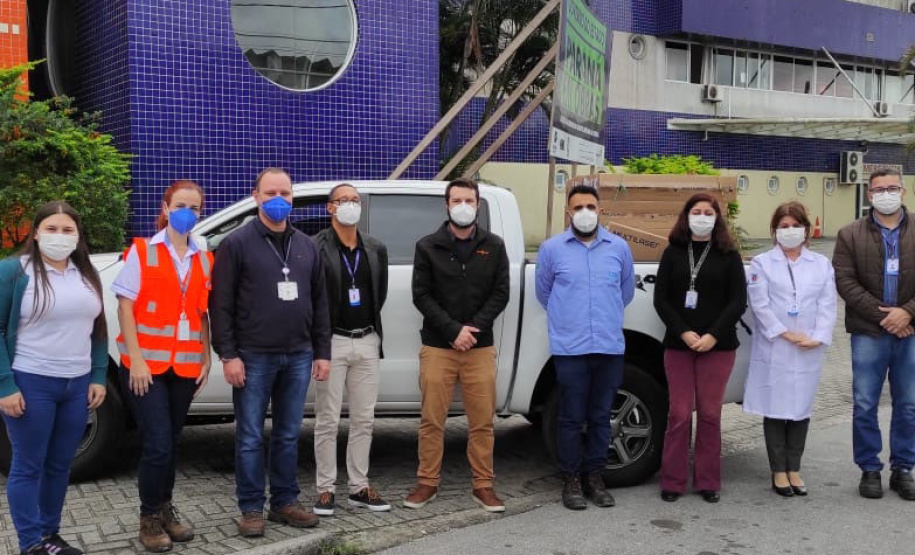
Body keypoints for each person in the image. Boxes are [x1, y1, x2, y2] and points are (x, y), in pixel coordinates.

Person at [209, 168, 332, 536]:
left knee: (288, 434)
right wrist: (228, 354)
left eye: (285, 192)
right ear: (255, 196)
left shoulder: (307, 246)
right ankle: (250, 509)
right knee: (249, 436)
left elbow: (321, 303)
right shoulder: (236, 244)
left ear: (293, 197)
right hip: (253, 356)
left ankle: (284, 502)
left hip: (298, 355)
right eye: (270, 192)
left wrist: (322, 351)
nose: (278, 199)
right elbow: (221, 304)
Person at [0, 201, 108, 555]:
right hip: (31, 383)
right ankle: (30, 543)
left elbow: (97, 331)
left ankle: (50, 535)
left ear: (78, 237)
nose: (59, 237)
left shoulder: (85, 273)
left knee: (60, 465)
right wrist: (5, 385)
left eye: (67, 230)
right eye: (51, 229)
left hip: (75, 386)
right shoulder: (14, 271)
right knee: (29, 465)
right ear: (35, 233)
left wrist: (97, 375)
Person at [112, 181, 214, 551]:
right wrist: (135, 360)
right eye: (181, 205)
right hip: (145, 366)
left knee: (170, 442)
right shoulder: (143, 251)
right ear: (166, 207)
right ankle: (149, 517)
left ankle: (165, 509)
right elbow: (125, 307)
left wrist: (206, 354)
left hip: (185, 368)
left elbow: (201, 312)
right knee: (156, 443)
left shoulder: (203, 256)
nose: (188, 212)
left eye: (194, 207)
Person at [404, 178, 510, 513]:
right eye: (456, 200)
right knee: (432, 420)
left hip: (479, 348)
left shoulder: (494, 245)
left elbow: (501, 293)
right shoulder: (427, 246)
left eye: (469, 200)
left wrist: (472, 330)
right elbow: (421, 295)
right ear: (447, 205)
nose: (463, 206)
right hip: (439, 346)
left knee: (482, 422)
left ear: (477, 205)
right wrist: (453, 331)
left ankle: (483, 485)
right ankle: (427, 482)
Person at [535, 184, 635, 511]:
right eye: (578, 207)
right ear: (568, 212)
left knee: (601, 416)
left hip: (608, 346)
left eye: (590, 206)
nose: (585, 213)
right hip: (570, 348)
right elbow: (544, 293)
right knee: (570, 416)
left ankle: (594, 476)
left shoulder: (619, 248)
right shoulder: (552, 250)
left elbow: (625, 293)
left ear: (600, 210)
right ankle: (571, 479)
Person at [653, 193, 747, 503]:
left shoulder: (729, 254)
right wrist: (684, 332)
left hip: (718, 347)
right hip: (679, 345)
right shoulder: (673, 252)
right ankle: (673, 480)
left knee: (709, 413)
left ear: (717, 217)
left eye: (709, 212)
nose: (703, 216)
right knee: (679, 413)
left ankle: (708, 481)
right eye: (697, 211)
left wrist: (712, 336)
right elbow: (661, 300)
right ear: (687, 215)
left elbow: (738, 301)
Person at [744, 201, 836, 498]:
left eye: (795, 225)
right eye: (783, 226)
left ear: (806, 229)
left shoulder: (820, 264)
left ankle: (794, 467)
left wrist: (818, 336)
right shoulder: (761, 263)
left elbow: (828, 304)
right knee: (775, 407)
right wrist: (784, 333)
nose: (790, 231)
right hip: (776, 346)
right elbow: (760, 305)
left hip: (809, 346)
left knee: (800, 408)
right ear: (774, 231)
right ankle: (777, 470)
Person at [833, 168, 915, 501]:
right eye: (878, 189)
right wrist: (886, 317)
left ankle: (903, 468)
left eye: (892, 188)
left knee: (908, 404)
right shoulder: (849, 234)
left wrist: (907, 312)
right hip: (869, 331)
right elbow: (845, 282)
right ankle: (869, 468)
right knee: (865, 403)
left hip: (910, 330)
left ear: (903, 191)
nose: (886, 194)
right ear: (869, 195)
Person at [311, 183, 390, 515]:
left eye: (355, 200)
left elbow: (379, 293)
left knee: (364, 419)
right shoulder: (316, 247)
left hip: (368, 340)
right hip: (333, 341)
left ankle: (359, 487)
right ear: (330, 207)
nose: (350, 205)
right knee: (327, 419)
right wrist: (320, 347)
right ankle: (325, 489)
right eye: (343, 200)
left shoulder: (374, 247)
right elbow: (313, 299)